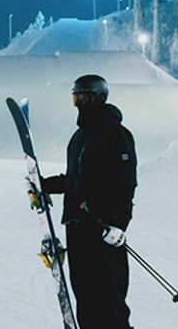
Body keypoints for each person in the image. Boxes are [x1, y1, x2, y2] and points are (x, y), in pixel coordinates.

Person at [42, 74, 138, 329]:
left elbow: (125, 183)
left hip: (103, 230)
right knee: (84, 295)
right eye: (77, 97)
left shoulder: (116, 134)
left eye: (85, 96)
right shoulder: (79, 138)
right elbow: (75, 179)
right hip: (77, 227)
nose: (80, 102)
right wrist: (46, 185)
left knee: (109, 298)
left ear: (99, 98)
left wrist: (119, 224)